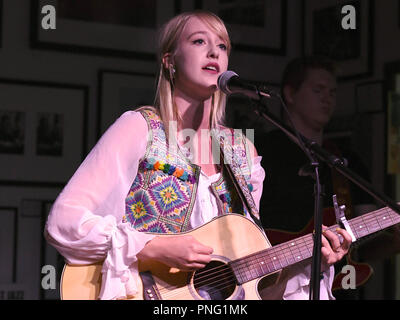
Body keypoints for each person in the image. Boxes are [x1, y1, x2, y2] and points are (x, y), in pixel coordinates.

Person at [44, 11, 351, 300]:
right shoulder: (140, 129)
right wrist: (152, 247)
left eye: (222, 45)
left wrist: (307, 263)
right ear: (169, 60)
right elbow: (65, 221)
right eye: (199, 41)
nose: (214, 52)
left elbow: (249, 285)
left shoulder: (243, 152)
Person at [255, 56, 399, 299]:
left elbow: (364, 246)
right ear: (290, 94)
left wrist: (395, 241)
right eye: (318, 90)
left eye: (332, 92)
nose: (328, 98)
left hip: (335, 288)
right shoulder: (259, 150)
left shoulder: (345, 161)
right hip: (273, 287)